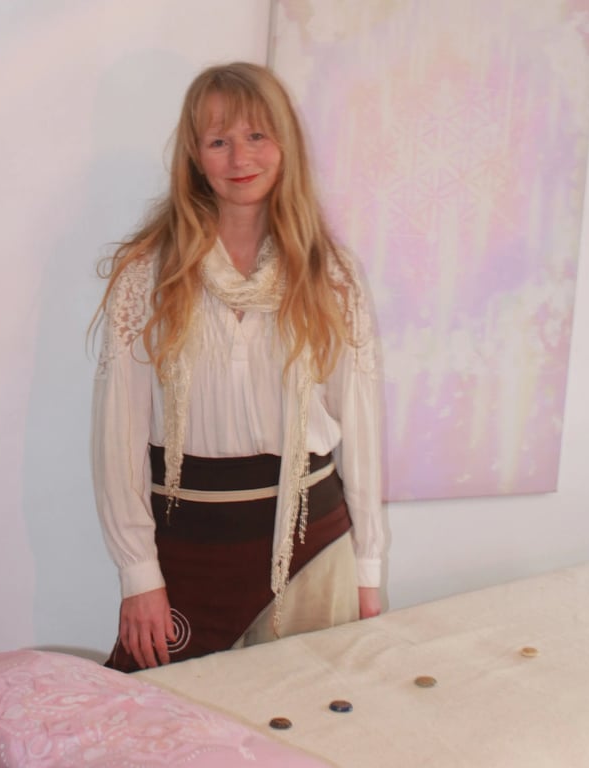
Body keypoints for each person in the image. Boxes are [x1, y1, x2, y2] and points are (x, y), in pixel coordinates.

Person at [91, 61, 384, 673]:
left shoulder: (331, 274)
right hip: (190, 545)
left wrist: (367, 569)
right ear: (196, 157)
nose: (239, 156)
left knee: (312, 735)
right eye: (218, 140)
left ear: (285, 145)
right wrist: (138, 574)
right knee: (164, 735)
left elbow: (360, 429)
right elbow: (117, 438)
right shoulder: (148, 275)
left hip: (311, 544)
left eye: (257, 135)